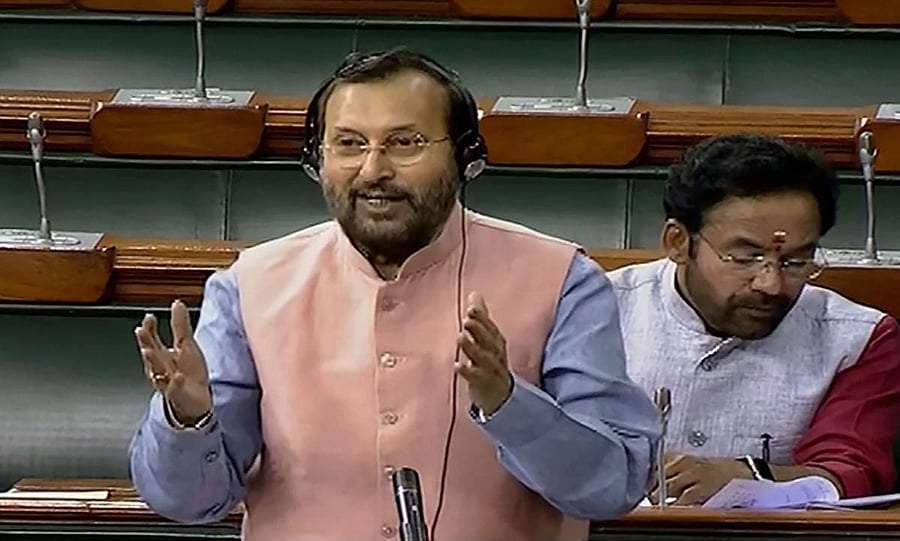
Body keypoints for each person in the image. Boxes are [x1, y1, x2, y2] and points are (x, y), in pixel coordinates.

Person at [127, 48, 660, 541]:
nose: (374, 170)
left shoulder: (562, 278)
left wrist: (510, 405)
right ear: (317, 159)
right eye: (349, 144)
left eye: (405, 143)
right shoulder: (250, 285)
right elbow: (190, 502)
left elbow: (612, 486)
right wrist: (188, 422)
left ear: (467, 156)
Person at [608, 134, 900, 506]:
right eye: (745, 257)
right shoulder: (596, 311)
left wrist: (753, 475)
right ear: (678, 242)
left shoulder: (859, 339)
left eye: (796, 261)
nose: (772, 285)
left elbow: (850, 471)